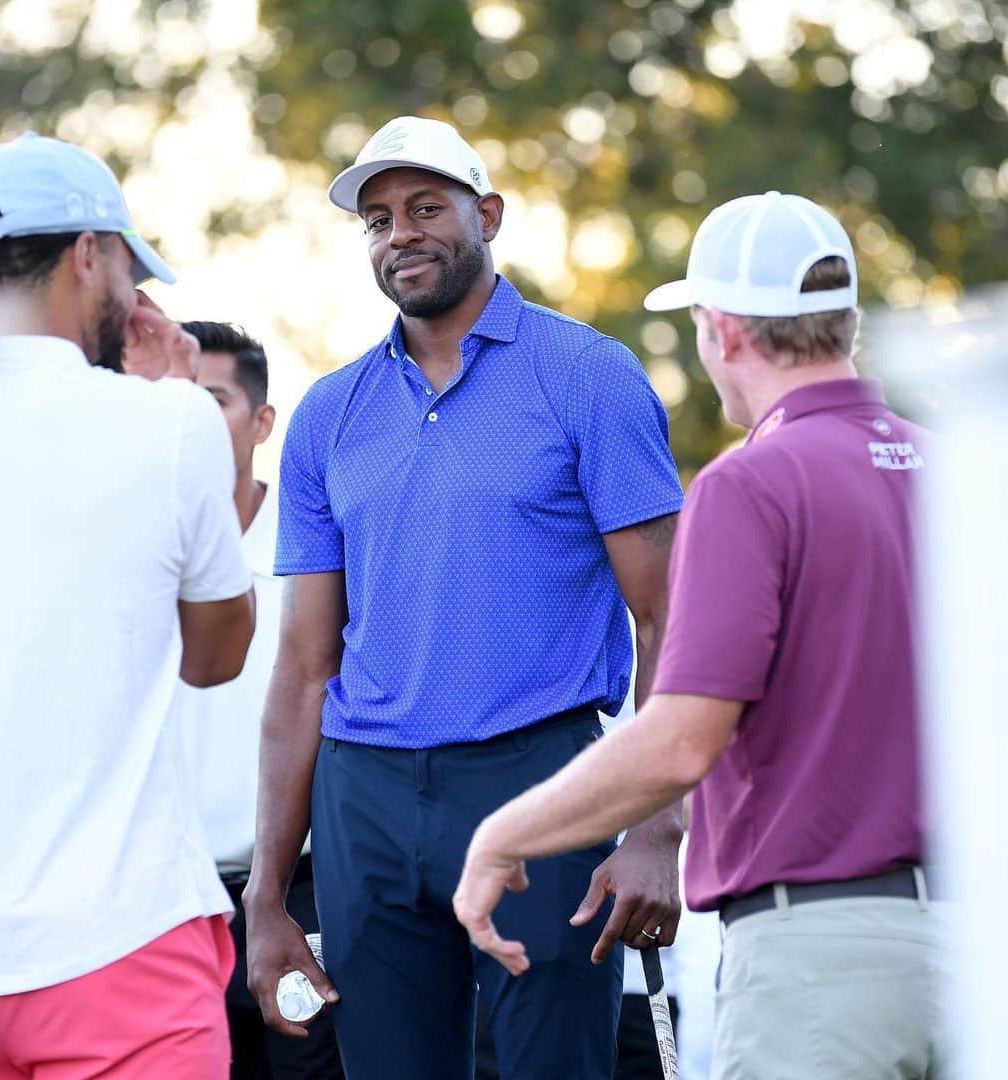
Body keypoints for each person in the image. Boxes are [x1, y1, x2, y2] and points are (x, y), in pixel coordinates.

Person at [455, 190, 945, 1079]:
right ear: (845, 322)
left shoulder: (750, 484)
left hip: (822, 963)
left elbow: (679, 741)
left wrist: (504, 836)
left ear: (720, 329)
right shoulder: (955, 468)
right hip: (977, 952)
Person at [244, 116, 685, 1080]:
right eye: (377, 218)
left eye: (426, 207)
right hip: (363, 792)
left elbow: (669, 618)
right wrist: (268, 895)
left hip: (543, 778)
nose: (400, 232)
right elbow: (304, 668)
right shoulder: (329, 414)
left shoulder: (588, 375)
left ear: (486, 214)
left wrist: (656, 828)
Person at [0, 132, 256, 1078]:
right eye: (125, 263)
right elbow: (215, 654)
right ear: (88, 255)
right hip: (122, 943)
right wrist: (165, 399)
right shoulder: (169, 422)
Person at [178, 321, 344, 1079]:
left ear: (262, 421)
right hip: (175, 905)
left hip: (301, 896)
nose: (188, 418)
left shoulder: (312, 545)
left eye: (212, 399)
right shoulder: (133, 545)